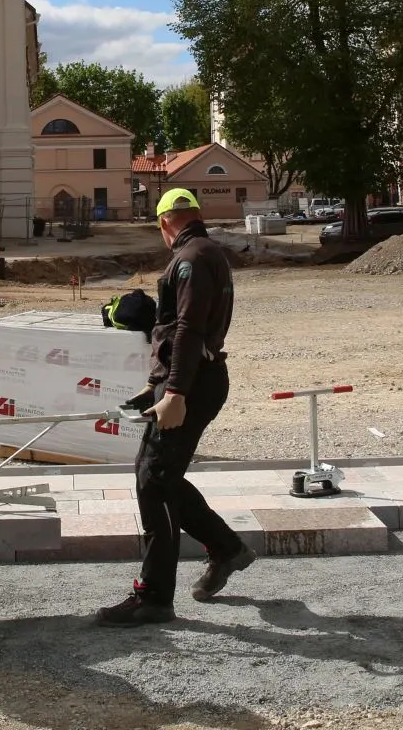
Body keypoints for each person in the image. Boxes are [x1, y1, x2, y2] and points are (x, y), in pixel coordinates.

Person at [97, 188, 255, 627]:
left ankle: (154, 597)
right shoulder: (207, 252)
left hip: (192, 384)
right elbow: (179, 331)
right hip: (192, 380)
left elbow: (187, 329)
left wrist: (175, 393)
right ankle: (226, 548)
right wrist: (156, 387)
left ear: (165, 223)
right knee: (161, 477)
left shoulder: (188, 260)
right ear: (196, 215)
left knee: (154, 481)